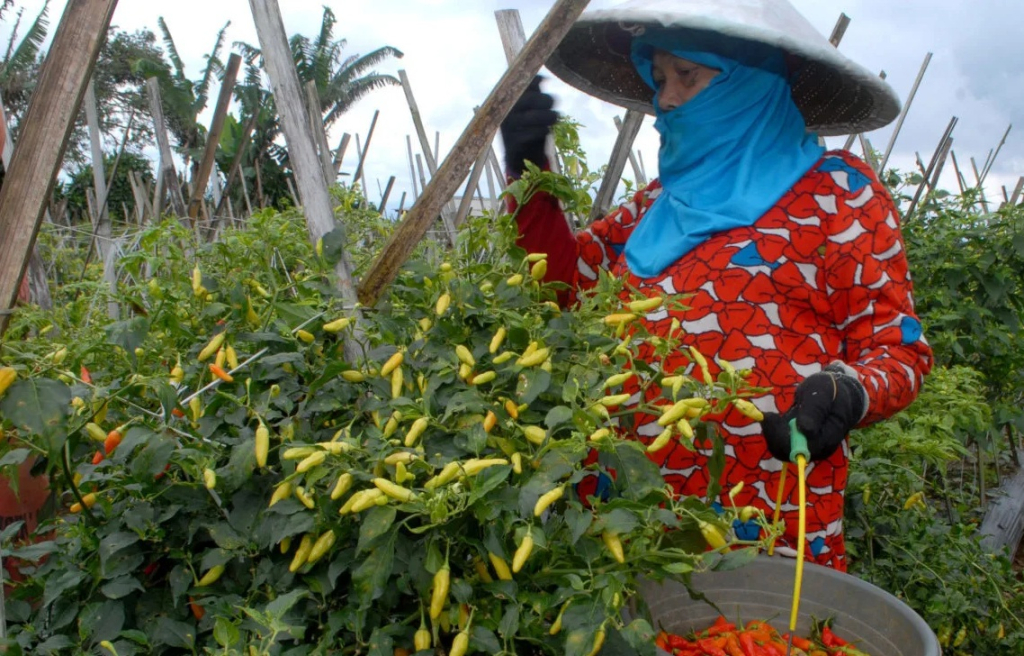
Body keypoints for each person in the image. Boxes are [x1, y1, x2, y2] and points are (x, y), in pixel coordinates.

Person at [499, 0, 933, 571]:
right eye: (659, 79)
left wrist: (848, 392)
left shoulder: (837, 197)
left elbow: (898, 350)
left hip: (765, 525)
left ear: (751, 80)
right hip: (625, 519)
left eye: (689, 75)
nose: (668, 98)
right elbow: (561, 290)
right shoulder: (655, 206)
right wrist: (529, 174)